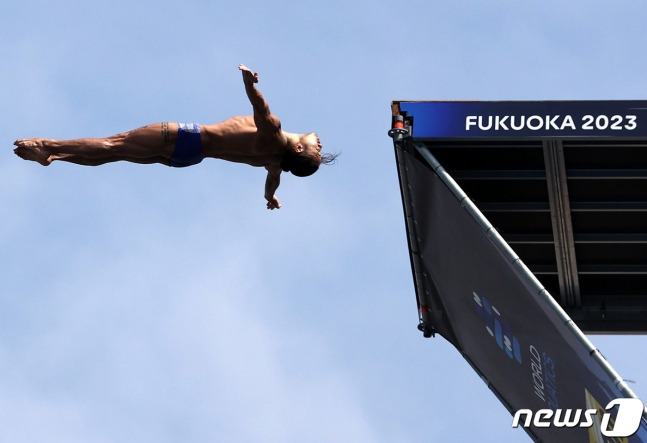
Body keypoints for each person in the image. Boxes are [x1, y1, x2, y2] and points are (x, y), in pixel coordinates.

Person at [13, 64, 338, 210]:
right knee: (114, 154)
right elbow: (272, 183)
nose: (319, 144)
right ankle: (56, 157)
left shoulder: (275, 135)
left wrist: (249, 84)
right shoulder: (273, 161)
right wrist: (270, 199)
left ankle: (47, 146)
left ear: (298, 147)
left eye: (315, 149)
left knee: (115, 143)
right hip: (188, 158)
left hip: (186, 138)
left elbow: (261, 111)